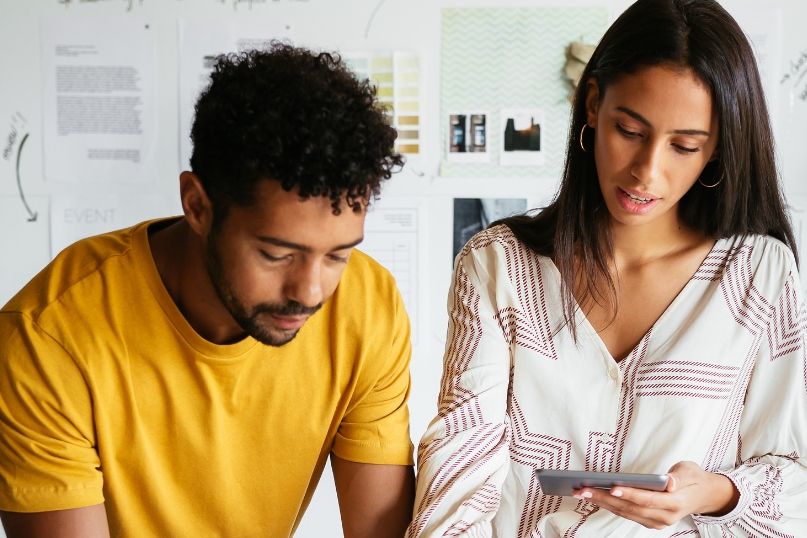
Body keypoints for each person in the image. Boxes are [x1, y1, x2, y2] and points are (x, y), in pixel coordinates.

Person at [408, 0, 807, 536]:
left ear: (716, 149)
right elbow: (459, 471)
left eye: (684, 146)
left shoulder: (759, 274)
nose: (647, 172)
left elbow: (795, 483)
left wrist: (715, 493)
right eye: (630, 131)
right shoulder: (498, 265)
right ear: (593, 105)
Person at [0, 44, 415, 537]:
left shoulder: (367, 308)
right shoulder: (47, 338)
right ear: (197, 206)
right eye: (276, 254)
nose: (309, 291)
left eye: (337, 256)